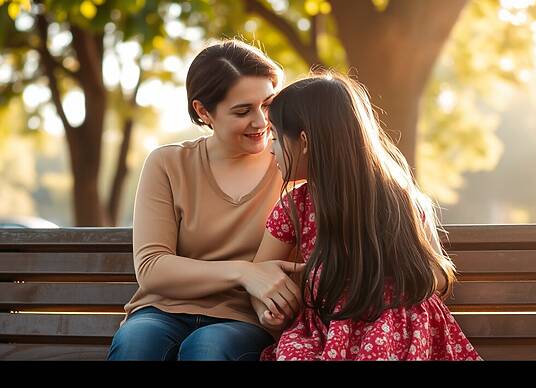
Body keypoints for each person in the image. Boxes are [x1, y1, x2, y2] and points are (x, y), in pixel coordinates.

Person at [250, 71, 482, 360]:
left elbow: (438, 274)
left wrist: (381, 282)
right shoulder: (295, 207)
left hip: (394, 327)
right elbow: (260, 274)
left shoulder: (398, 197)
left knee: (381, 346)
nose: (271, 150)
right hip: (325, 329)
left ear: (305, 142)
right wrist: (266, 311)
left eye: (275, 137)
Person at [107, 39, 305, 361]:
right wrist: (244, 272)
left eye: (267, 105)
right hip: (162, 312)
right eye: (242, 111)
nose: (261, 121)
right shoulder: (168, 164)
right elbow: (152, 267)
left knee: (208, 349)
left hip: (245, 320)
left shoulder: (294, 166)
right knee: (136, 343)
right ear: (203, 111)